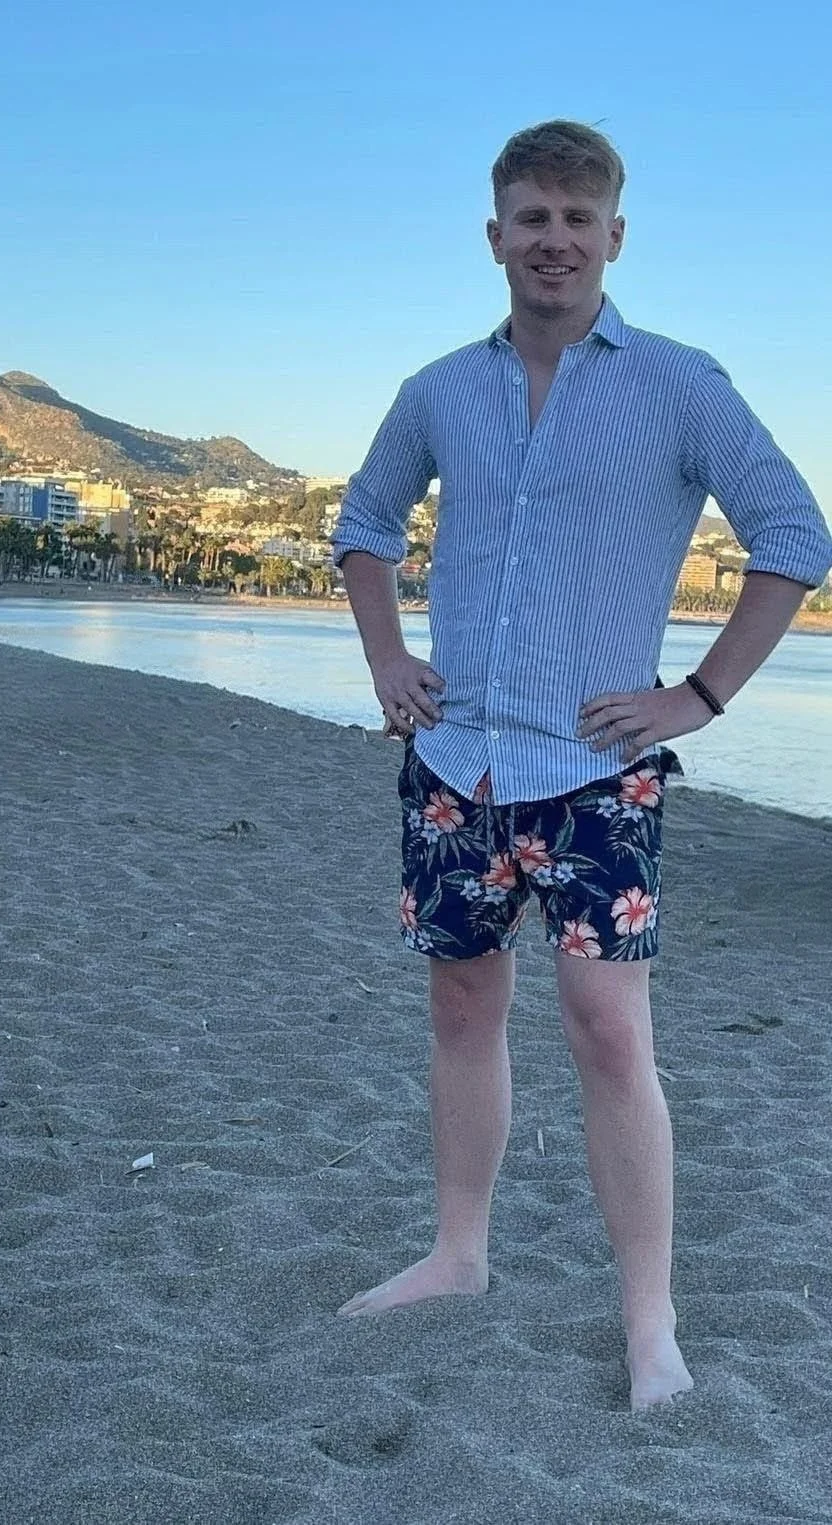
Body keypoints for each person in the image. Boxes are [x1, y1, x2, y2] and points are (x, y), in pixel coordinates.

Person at [330, 119, 832, 1411]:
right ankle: (458, 1254)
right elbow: (365, 522)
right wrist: (388, 659)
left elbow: (793, 532)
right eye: (530, 219)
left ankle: (649, 1324)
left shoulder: (677, 383)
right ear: (494, 235)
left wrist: (701, 695)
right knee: (459, 1010)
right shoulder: (440, 389)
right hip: (455, 758)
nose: (553, 240)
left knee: (611, 1037)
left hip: (599, 768)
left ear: (615, 236)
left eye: (577, 219)